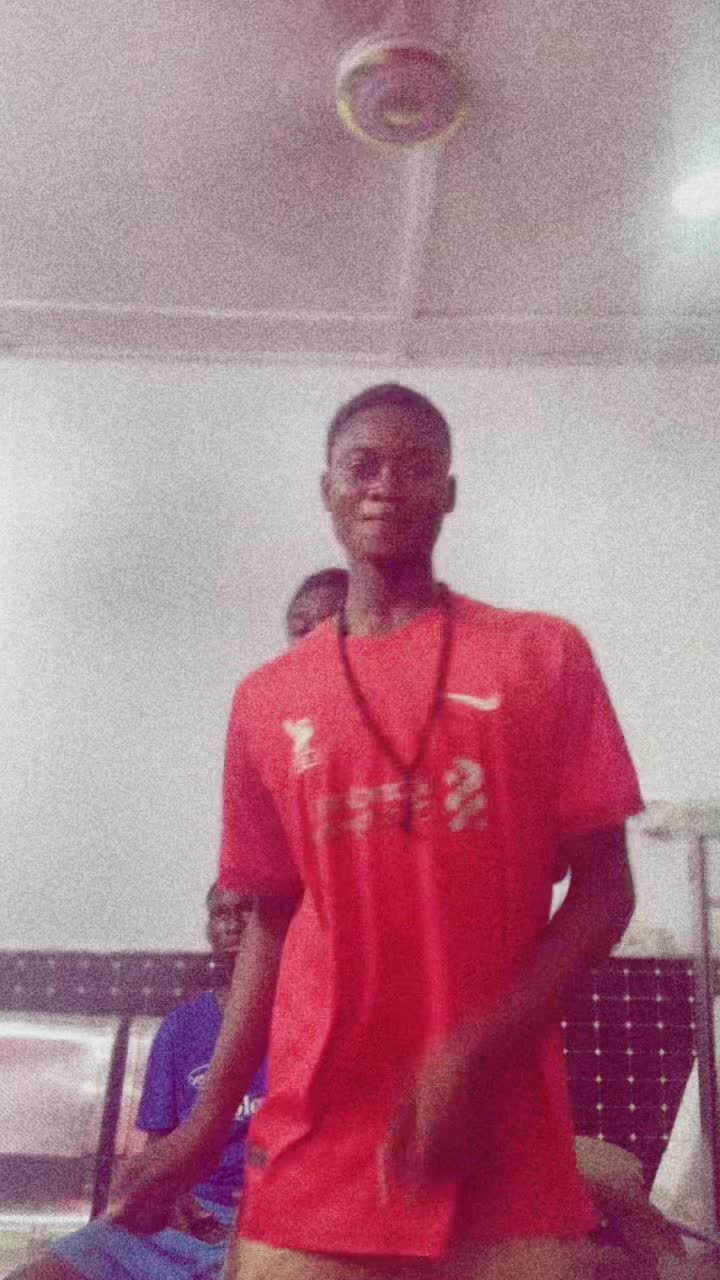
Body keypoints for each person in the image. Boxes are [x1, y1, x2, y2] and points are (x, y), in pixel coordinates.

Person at [112, 383, 646, 1279]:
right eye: (362, 465)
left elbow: (606, 893)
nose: (387, 485)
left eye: (416, 466)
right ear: (327, 489)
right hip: (315, 1152)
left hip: (503, 1147)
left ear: (449, 492)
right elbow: (273, 919)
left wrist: (472, 1049)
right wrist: (202, 1128)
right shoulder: (266, 701)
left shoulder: (541, 654)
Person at [8, 885, 265, 1280]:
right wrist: (169, 1194)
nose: (232, 924)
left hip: (268, 1227)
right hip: (188, 1223)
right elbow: (159, 1147)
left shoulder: (306, 1023)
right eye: (220, 914)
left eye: (245, 910)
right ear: (209, 930)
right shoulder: (181, 1028)